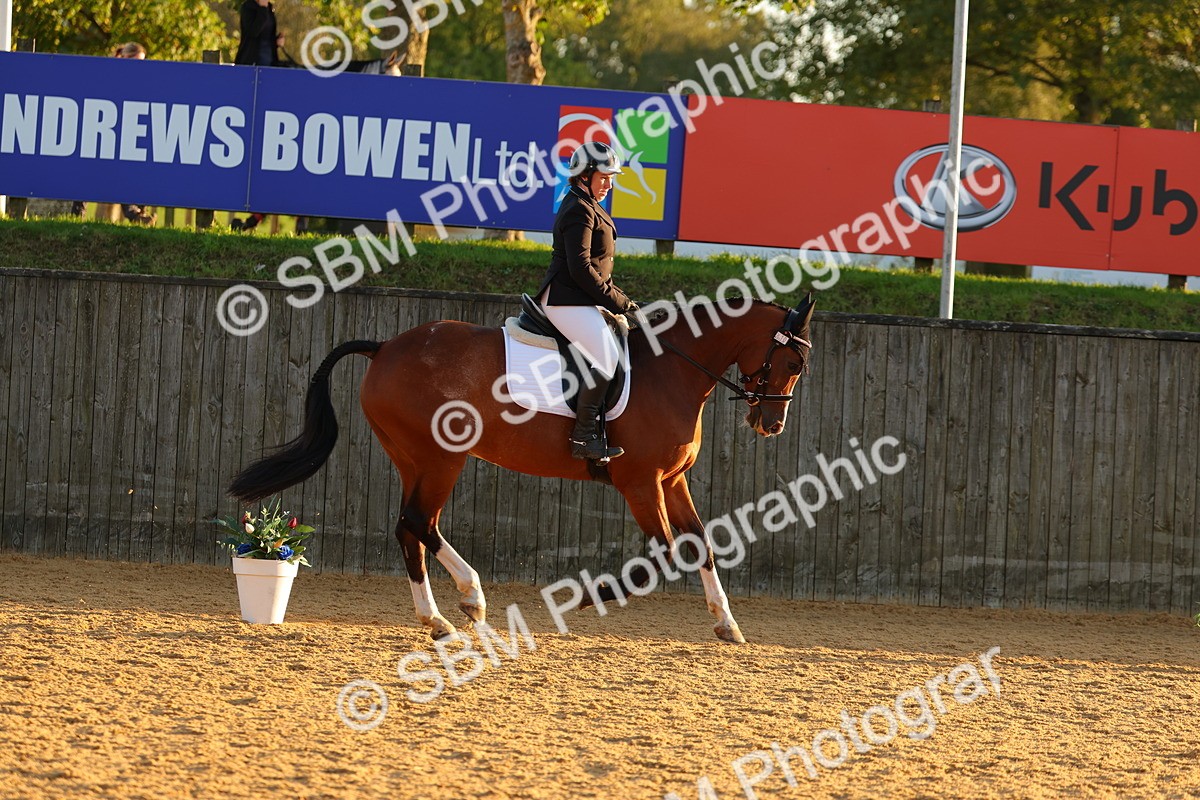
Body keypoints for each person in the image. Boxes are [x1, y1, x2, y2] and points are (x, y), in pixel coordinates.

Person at [535, 141, 638, 462]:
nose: (609, 184)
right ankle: (583, 436)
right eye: (604, 177)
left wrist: (622, 301)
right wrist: (619, 302)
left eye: (612, 178)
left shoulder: (587, 203)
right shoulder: (579, 209)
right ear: (584, 175)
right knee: (607, 356)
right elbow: (581, 269)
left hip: (579, 299)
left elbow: (598, 268)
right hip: (565, 299)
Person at [73, 43, 156, 224]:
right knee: (88, 174)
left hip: (123, 138)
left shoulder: (141, 83)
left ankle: (136, 215)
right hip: (99, 134)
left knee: (125, 175)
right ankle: (76, 216)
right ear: (124, 58)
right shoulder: (105, 75)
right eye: (136, 61)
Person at [231, 0, 286, 231]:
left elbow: (266, 38)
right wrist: (263, 9)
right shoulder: (250, 8)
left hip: (270, 68)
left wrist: (277, 43)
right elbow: (252, 33)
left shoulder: (270, 8)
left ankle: (254, 219)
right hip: (250, 68)